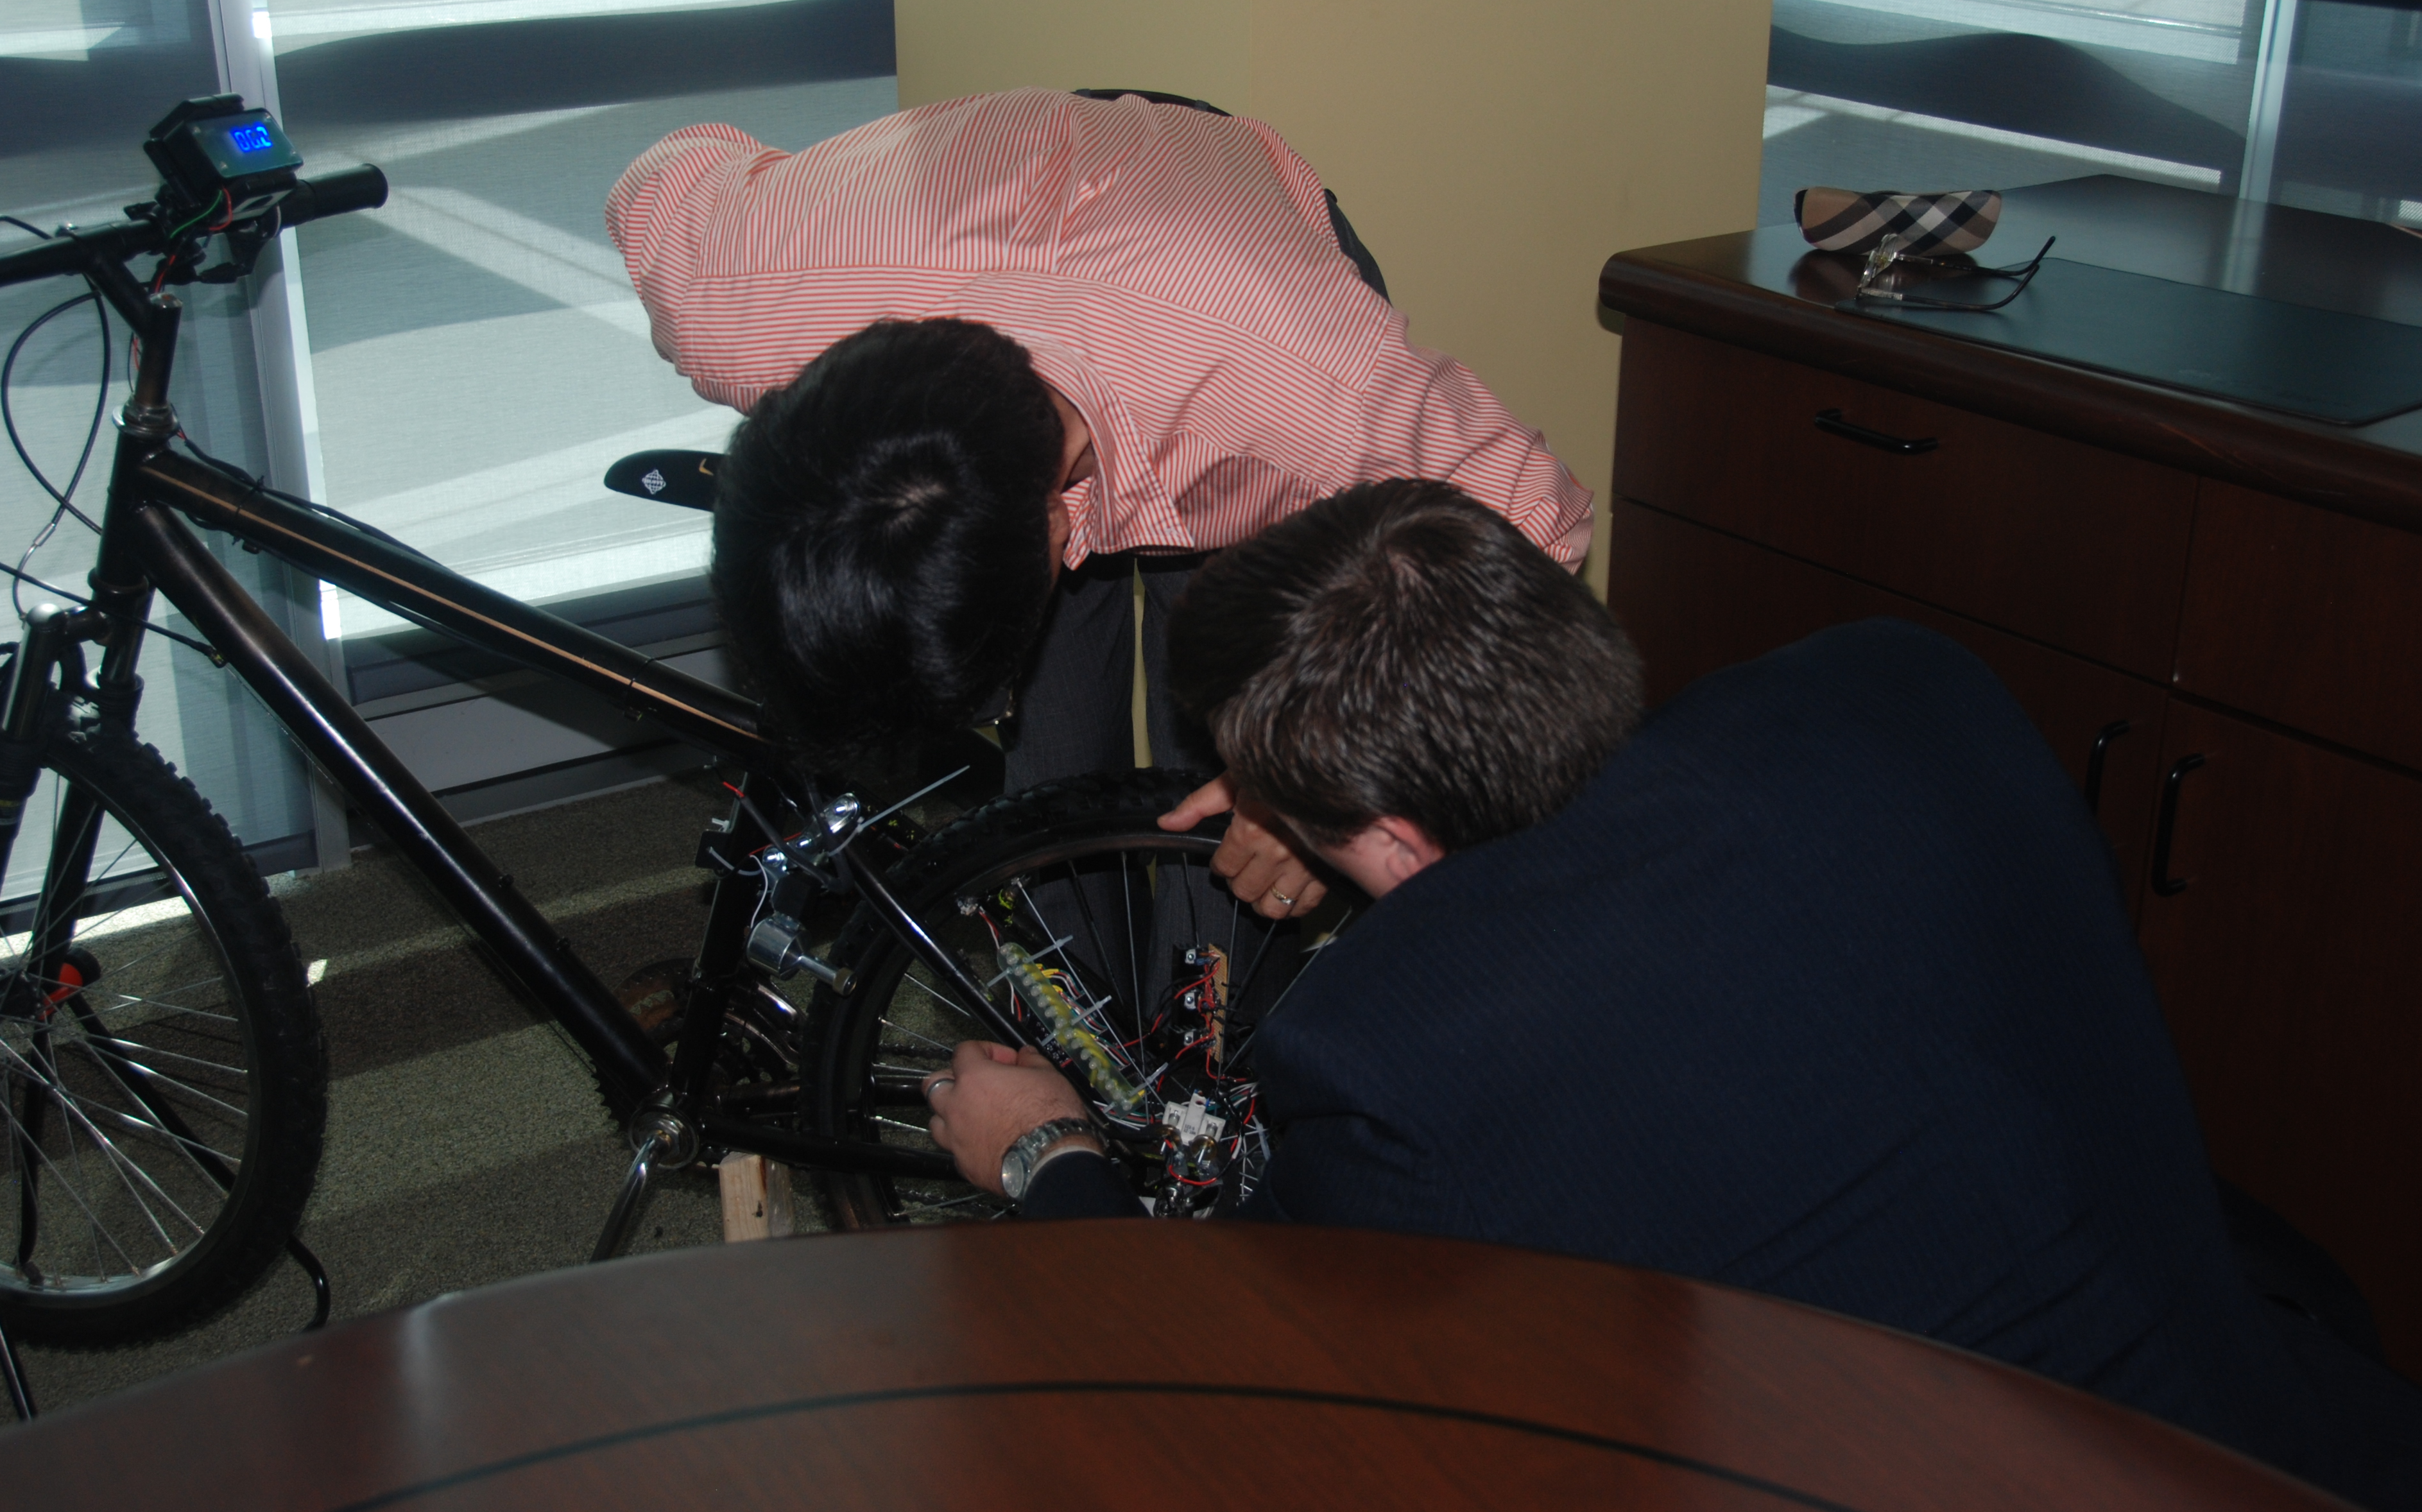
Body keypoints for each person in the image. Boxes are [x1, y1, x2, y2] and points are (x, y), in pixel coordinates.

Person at [922, 479, 2422, 1509]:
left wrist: (1049, 1155)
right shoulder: (1902, 688)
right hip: (2299, 1437)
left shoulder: (1386, 1054)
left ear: (1390, 838)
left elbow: (1218, 1373)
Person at [605, 87, 1593, 920]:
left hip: (1214, 245)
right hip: (1013, 205)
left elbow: (1535, 524)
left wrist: (1312, 779)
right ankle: (1074, 1034)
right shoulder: (733, 298)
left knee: (1239, 742)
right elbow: (657, 178)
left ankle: (1210, 1041)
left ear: (1059, 527)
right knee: (1050, 767)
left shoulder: (1305, 392)